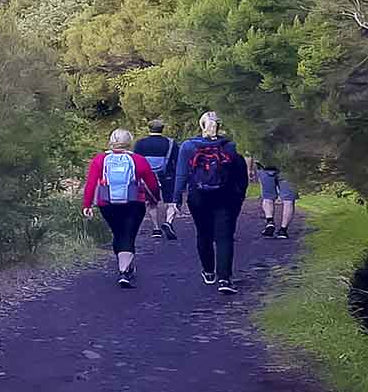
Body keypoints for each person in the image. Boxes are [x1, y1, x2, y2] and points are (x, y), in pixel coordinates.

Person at [170, 111, 247, 294]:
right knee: (224, 236)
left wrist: (176, 199)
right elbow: (241, 174)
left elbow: (181, 175)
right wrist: (240, 195)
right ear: (220, 126)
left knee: (203, 233)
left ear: (201, 125)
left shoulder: (188, 146)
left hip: (198, 197)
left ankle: (208, 271)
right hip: (226, 196)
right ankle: (224, 279)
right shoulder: (231, 146)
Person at [82, 128, 163, 288]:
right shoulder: (138, 160)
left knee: (118, 233)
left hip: (107, 203)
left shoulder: (100, 160)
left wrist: (87, 204)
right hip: (134, 203)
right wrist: (155, 198)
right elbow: (152, 183)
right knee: (128, 234)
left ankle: (124, 266)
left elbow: (91, 183)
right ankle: (124, 271)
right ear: (129, 142)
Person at [133, 119, 180, 240]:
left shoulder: (140, 143)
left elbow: (136, 162)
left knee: (152, 203)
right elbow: (178, 162)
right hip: (168, 175)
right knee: (171, 202)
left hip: (148, 176)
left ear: (149, 129)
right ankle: (168, 222)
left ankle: (156, 228)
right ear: (162, 128)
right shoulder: (170, 143)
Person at [252, 159, 298, 238]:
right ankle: (283, 230)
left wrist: (250, 169)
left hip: (265, 167)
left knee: (268, 197)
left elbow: (249, 152)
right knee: (288, 200)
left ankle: (270, 222)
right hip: (288, 167)